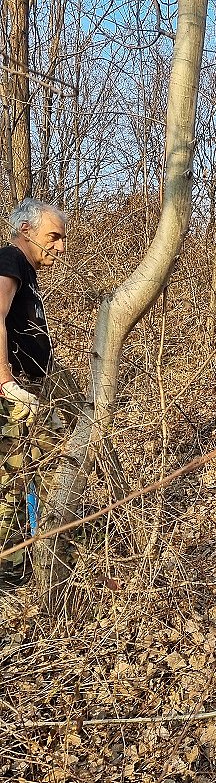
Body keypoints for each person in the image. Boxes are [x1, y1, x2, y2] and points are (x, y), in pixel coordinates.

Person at [0, 197, 67, 587]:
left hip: (31, 388)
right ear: (26, 230)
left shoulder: (24, 270)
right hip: (13, 394)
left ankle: (42, 552)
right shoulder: (10, 259)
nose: (60, 247)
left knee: (48, 465)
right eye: (53, 236)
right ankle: (11, 572)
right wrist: (6, 381)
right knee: (12, 479)